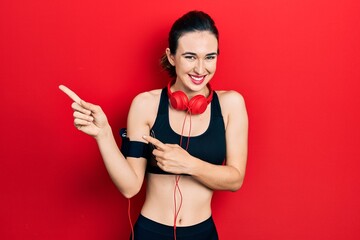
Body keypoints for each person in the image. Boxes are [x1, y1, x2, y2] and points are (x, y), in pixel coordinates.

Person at [59, 10, 248, 240]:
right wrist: (104, 135)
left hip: (202, 232)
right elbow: (130, 186)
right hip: (151, 231)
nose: (201, 69)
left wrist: (189, 164)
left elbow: (235, 179)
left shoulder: (231, 105)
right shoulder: (145, 105)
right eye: (190, 57)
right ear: (171, 56)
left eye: (209, 57)